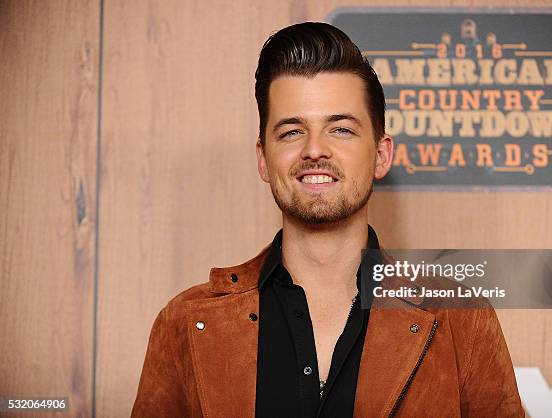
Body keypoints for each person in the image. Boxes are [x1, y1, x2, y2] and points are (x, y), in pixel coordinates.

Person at [131, 22, 524, 417]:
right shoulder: (183, 323)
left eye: (340, 129)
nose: (315, 149)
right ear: (263, 159)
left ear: (381, 154)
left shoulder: (462, 320)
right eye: (290, 132)